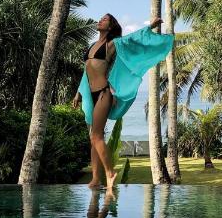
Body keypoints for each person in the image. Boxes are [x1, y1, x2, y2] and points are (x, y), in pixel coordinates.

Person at [72, 14, 173, 193]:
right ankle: (96, 178)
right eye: (101, 19)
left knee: (97, 137)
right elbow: (87, 71)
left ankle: (110, 173)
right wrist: (78, 93)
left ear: (110, 27)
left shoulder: (111, 44)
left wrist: (150, 26)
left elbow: (131, 40)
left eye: (105, 20)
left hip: (103, 93)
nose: (100, 21)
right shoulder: (91, 47)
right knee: (93, 138)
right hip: (90, 93)